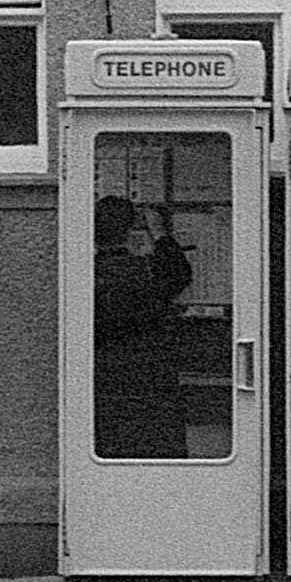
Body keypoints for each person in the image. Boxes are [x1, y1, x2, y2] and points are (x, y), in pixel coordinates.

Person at [91, 195, 193, 459]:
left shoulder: (88, 272)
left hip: (104, 372)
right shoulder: (146, 270)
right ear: (131, 230)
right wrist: (159, 233)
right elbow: (178, 274)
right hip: (150, 372)